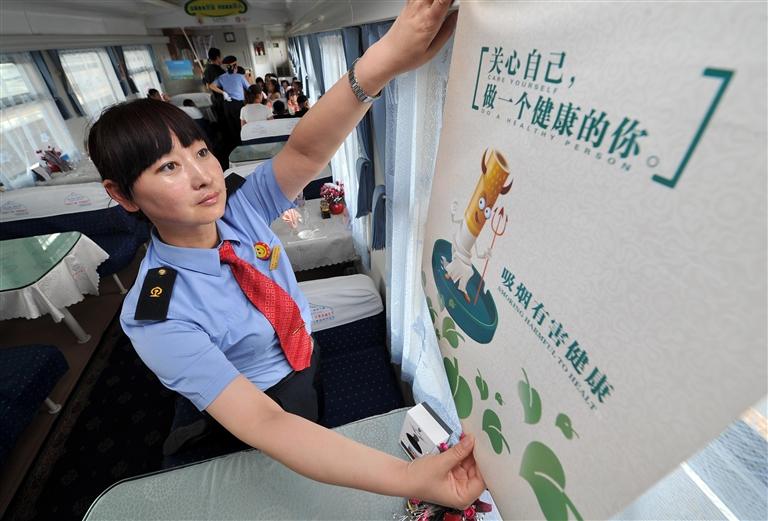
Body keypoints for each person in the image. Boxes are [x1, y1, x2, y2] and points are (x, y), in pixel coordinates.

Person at [87, 1, 479, 510]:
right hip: (251, 404)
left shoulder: (238, 210)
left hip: (303, 357)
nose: (203, 176)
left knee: (311, 419)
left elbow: (305, 151)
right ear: (122, 195)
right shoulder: (156, 312)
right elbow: (266, 422)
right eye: (168, 167)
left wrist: (383, 64)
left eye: (201, 152)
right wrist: (409, 479)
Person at [209, 55, 251, 146]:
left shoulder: (222, 77)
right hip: (238, 105)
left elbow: (211, 86)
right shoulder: (240, 77)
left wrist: (223, 92)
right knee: (241, 125)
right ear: (235, 65)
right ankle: (244, 143)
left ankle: (237, 145)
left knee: (232, 127)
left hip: (227, 105)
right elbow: (250, 88)